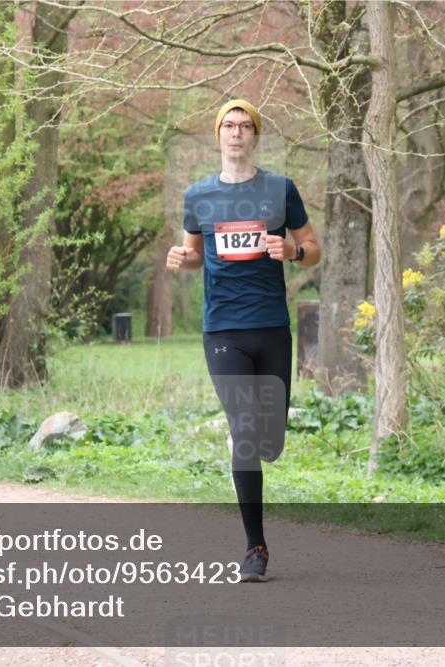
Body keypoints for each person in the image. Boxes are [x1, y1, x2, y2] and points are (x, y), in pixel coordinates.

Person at [167, 100, 321, 582]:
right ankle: (255, 546)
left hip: (271, 326)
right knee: (245, 431)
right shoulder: (199, 196)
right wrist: (182, 259)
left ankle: (261, 458)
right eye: (228, 126)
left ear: (255, 136)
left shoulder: (279, 189)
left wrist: (292, 251)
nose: (236, 133)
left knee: (268, 439)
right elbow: (195, 256)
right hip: (223, 329)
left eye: (245, 126)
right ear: (218, 136)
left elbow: (313, 249)